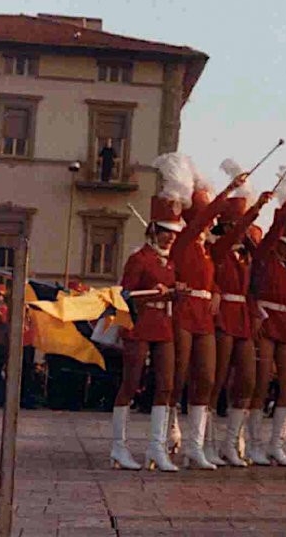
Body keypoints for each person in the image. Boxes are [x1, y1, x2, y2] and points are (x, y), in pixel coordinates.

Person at [168, 162, 247, 469]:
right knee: (177, 375)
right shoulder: (185, 240)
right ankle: (170, 433)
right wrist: (227, 190)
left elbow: (234, 234)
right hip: (185, 309)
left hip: (204, 314)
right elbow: (201, 218)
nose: (213, 220)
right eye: (208, 215)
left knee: (207, 377)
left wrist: (257, 207)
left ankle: (194, 445)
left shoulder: (207, 249)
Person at [111, 186, 187, 472]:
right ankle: (118, 447)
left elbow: (168, 293)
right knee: (131, 384)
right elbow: (125, 295)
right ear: (153, 229)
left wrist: (175, 292)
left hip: (163, 325)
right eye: (166, 230)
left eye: (174, 231)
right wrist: (153, 292)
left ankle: (157, 447)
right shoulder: (138, 259)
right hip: (140, 323)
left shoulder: (169, 262)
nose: (171, 236)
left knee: (166, 386)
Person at [209, 186, 271, 467]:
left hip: (242, 316)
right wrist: (256, 207)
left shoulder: (247, 256)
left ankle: (230, 443)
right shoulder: (218, 249)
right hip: (223, 316)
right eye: (237, 224)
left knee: (248, 379)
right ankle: (206, 443)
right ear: (227, 226)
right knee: (216, 380)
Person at [246, 183, 286, 467]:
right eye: (285, 244)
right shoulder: (264, 257)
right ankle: (254, 444)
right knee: (260, 383)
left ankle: (276, 444)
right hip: (267, 321)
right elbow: (272, 232)